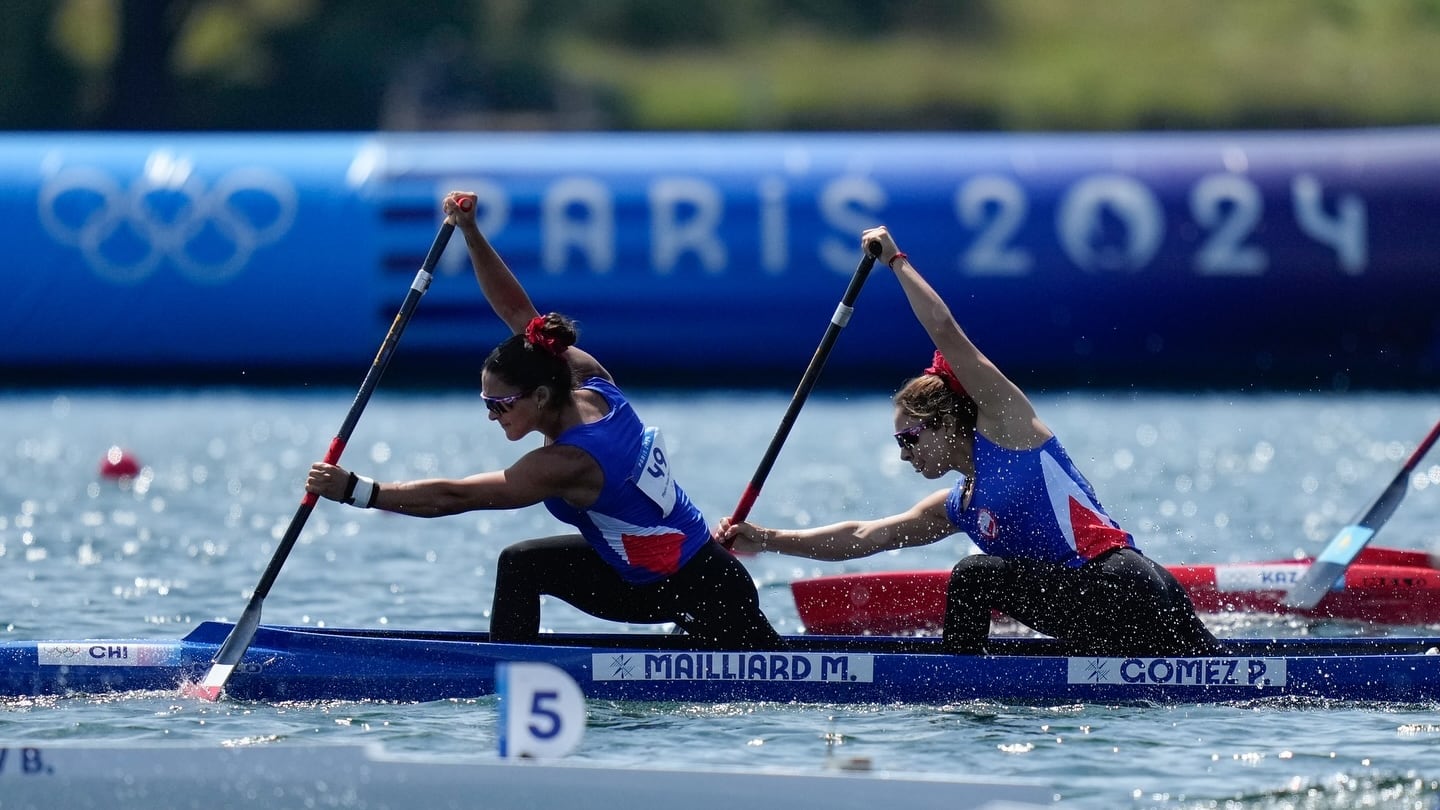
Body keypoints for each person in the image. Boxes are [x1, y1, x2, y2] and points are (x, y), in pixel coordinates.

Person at [306, 191, 782, 651]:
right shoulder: (588, 380)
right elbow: (518, 313)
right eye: (485, 403)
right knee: (522, 563)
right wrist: (469, 230)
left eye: (500, 404)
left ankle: (507, 676)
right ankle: (513, 663)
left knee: (522, 566)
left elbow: (456, 495)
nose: (492, 416)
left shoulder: (567, 461)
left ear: (539, 394)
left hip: (698, 594)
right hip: (689, 576)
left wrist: (356, 491)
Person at [716, 225, 1222, 658]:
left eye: (909, 439)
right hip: (1098, 607)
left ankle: (957, 689)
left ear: (944, 423)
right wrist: (765, 538)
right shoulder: (958, 505)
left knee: (975, 576)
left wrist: (894, 260)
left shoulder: (1010, 429)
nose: (903, 455)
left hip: (1125, 588)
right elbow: (866, 536)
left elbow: (945, 330)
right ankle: (971, 677)